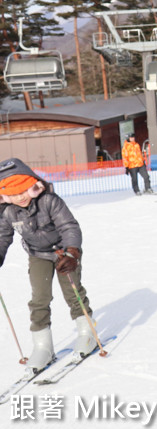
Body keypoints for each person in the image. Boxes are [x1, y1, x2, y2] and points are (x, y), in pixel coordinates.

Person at [0, 158, 98, 371]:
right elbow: (2, 237)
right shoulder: (7, 211)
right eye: (13, 194)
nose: (20, 197)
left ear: (33, 185)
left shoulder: (50, 200)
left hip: (64, 254)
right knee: (39, 299)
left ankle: (86, 333)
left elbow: (69, 226)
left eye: (23, 191)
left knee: (73, 293)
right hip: (38, 255)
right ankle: (42, 346)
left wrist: (72, 253)